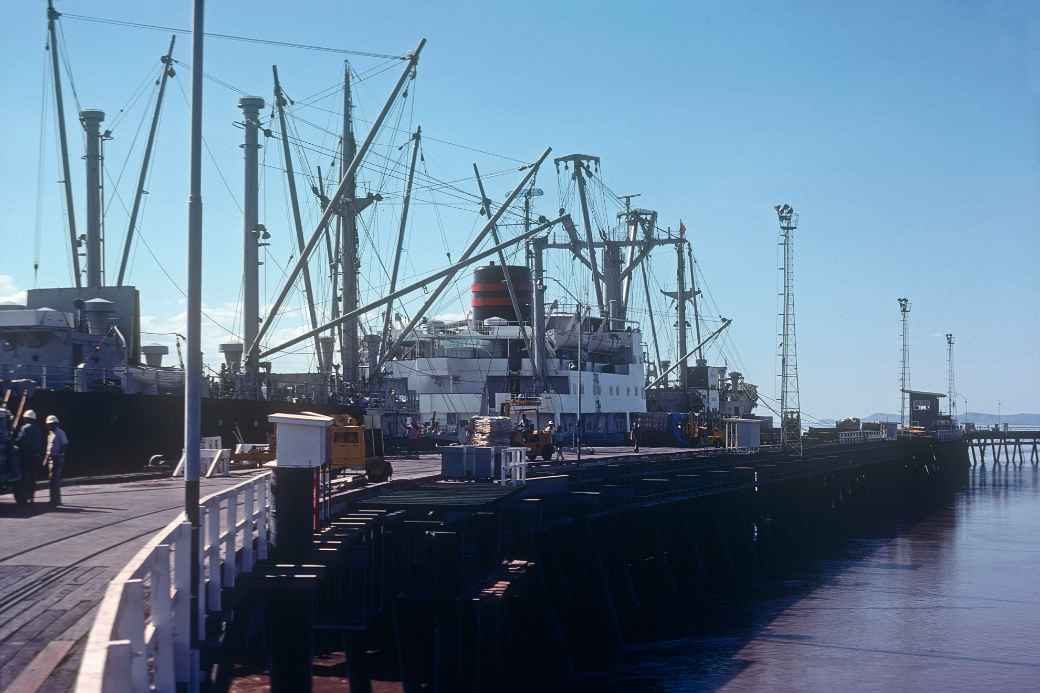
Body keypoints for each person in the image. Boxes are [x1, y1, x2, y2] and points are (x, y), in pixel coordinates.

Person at [14, 410, 44, 506]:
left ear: (26, 418)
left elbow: (20, 440)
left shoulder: (25, 428)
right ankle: (31, 497)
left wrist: (13, 442)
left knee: (23, 478)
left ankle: (23, 498)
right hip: (36, 457)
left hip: (26, 457)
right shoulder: (38, 429)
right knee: (32, 478)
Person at [44, 414, 68, 506]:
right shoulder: (50, 434)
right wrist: (46, 459)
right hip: (51, 458)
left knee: (55, 480)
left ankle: (56, 500)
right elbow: (49, 447)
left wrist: (60, 455)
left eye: (51, 424)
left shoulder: (60, 432)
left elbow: (64, 445)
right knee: (51, 480)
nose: (49, 426)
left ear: (55, 424)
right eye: (48, 424)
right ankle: (53, 499)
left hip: (57, 458)